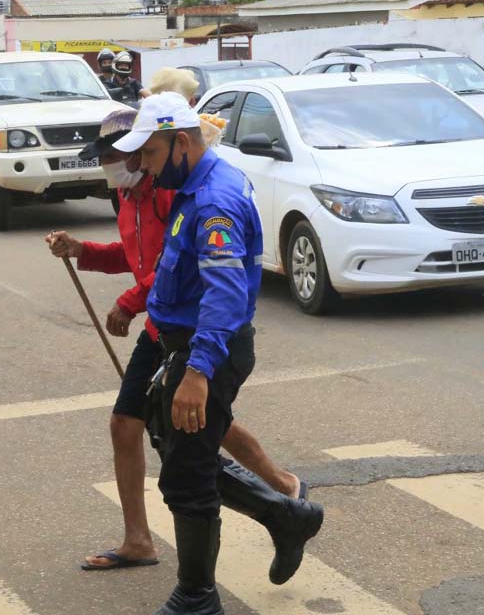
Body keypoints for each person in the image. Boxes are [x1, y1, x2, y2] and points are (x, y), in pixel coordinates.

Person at [47, 108, 312, 574]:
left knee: (190, 448)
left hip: (193, 338)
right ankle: (148, 542)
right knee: (153, 433)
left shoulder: (180, 194)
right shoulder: (131, 197)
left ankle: (283, 501)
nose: (114, 163)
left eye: (127, 153)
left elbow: (204, 281)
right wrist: (83, 252)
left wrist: (191, 362)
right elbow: (143, 260)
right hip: (165, 333)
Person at [113, 93, 323, 614]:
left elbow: (226, 292)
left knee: (186, 478)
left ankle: (197, 598)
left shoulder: (213, 201)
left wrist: (198, 370)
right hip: (183, 340)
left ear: (181, 142)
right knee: (182, 454)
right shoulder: (193, 183)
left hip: (211, 346)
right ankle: (284, 515)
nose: (143, 166)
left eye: (152, 154)